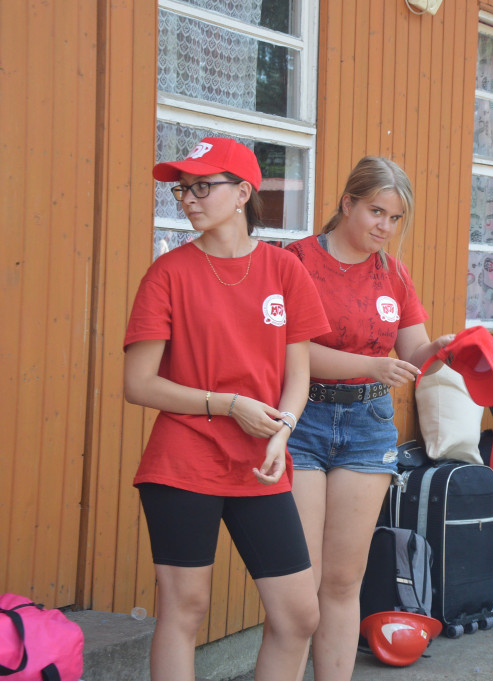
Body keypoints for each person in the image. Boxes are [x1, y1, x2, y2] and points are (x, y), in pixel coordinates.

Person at [124, 137, 329, 680]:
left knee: (299, 614)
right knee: (185, 608)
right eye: (181, 189)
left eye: (201, 187)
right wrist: (229, 405)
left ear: (242, 193)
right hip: (183, 463)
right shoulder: (166, 275)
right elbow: (139, 384)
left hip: (261, 463)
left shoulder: (286, 271)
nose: (187, 199)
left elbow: (298, 373)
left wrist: (282, 430)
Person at [285, 156, 454, 681]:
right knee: (300, 587)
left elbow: (414, 352)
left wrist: (446, 349)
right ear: (346, 204)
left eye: (395, 218)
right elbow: (290, 352)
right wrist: (373, 365)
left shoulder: (394, 273)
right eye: (375, 211)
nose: (384, 226)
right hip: (302, 419)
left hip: (368, 424)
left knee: (341, 581)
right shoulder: (297, 261)